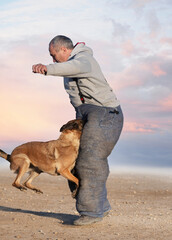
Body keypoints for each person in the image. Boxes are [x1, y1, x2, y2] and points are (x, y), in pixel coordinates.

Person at [32, 35, 123, 226]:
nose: (53, 59)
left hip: (105, 113)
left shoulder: (84, 60)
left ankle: (91, 212)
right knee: (71, 161)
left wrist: (48, 68)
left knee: (90, 160)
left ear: (64, 50)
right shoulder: (69, 65)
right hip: (84, 116)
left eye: (53, 55)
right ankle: (100, 207)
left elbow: (72, 67)